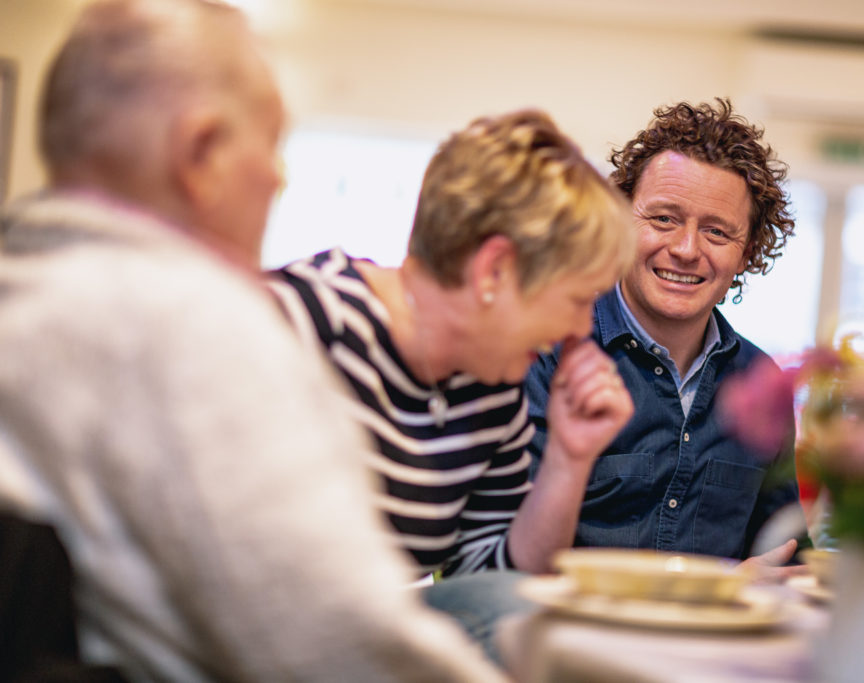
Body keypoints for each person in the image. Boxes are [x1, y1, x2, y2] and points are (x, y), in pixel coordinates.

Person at [0, 0, 507, 680]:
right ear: (201, 152)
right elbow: (341, 642)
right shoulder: (196, 325)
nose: (279, 177)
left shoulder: (27, 290)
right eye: (270, 143)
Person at [267, 111, 635, 578]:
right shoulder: (303, 321)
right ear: (493, 270)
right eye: (579, 299)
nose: (581, 329)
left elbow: (496, 584)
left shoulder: (492, 383)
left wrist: (569, 459)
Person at [525, 99, 804, 572]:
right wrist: (719, 596)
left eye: (717, 232)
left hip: (716, 646)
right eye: (663, 219)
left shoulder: (761, 383)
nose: (686, 249)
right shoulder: (545, 353)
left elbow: (785, 552)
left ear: (748, 251)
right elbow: (502, 561)